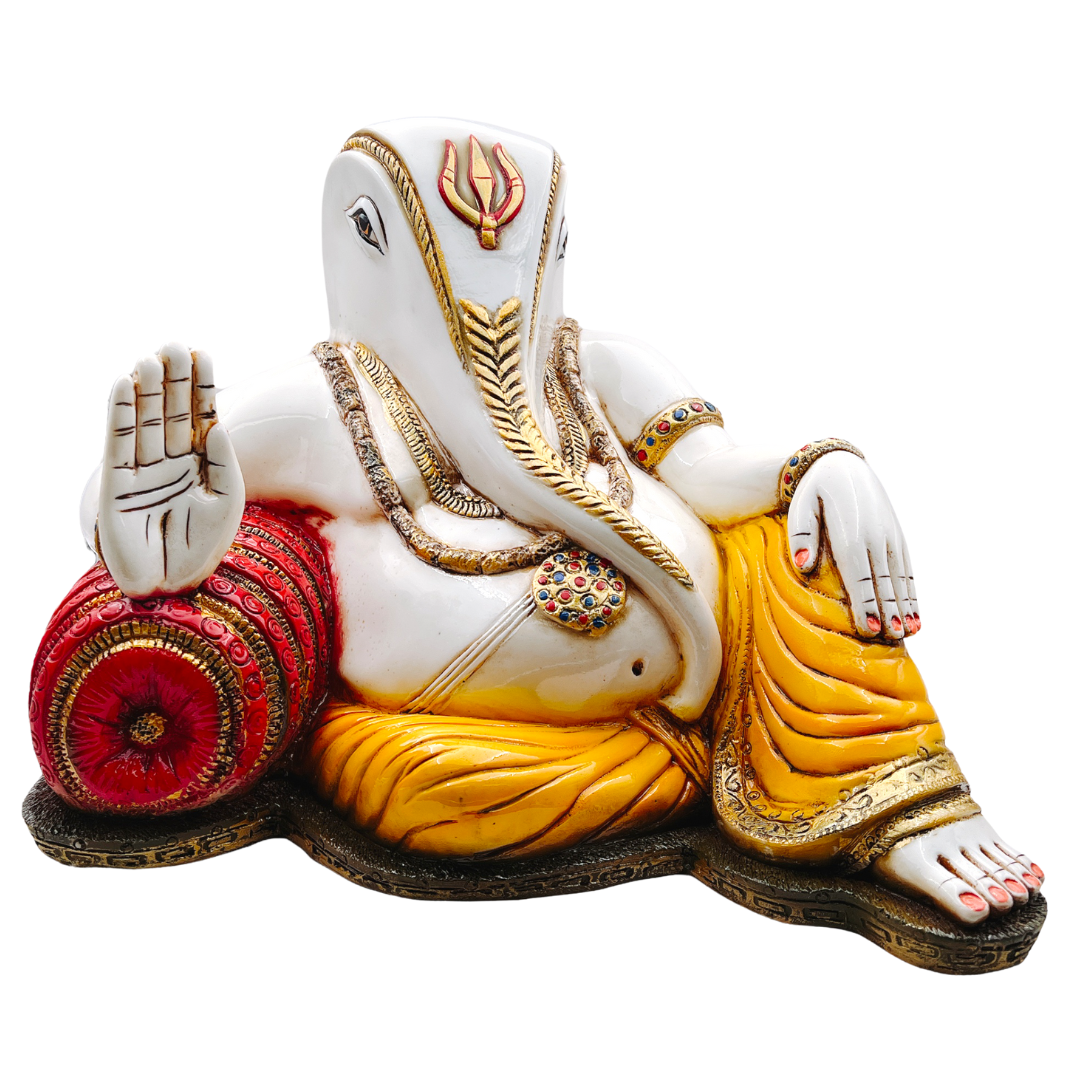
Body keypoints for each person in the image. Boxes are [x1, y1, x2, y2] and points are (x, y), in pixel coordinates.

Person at [83, 118, 1042, 924]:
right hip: (490, 758)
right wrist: (143, 542)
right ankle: (722, 774)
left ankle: (883, 799)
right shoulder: (327, 406)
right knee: (426, 795)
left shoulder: (603, 368)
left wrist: (821, 464)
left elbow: (712, 474)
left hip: (701, 689)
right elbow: (148, 479)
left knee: (790, 538)